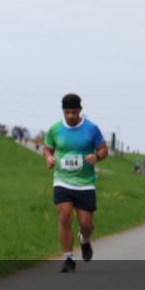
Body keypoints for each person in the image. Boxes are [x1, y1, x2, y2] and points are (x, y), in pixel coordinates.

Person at [42, 94, 108, 273]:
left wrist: (96, 156)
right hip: (62, 181)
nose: (71, 116)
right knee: (64, 216)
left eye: (74, 112)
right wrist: (48, 158)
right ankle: (68, 258)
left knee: (86, 224)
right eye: (67, 112)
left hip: (85, 183)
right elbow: (47, 149)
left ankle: (84, 239)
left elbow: (104, 149)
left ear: (80, 110)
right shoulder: (55, 129)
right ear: (63, 111)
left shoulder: (91, 128)